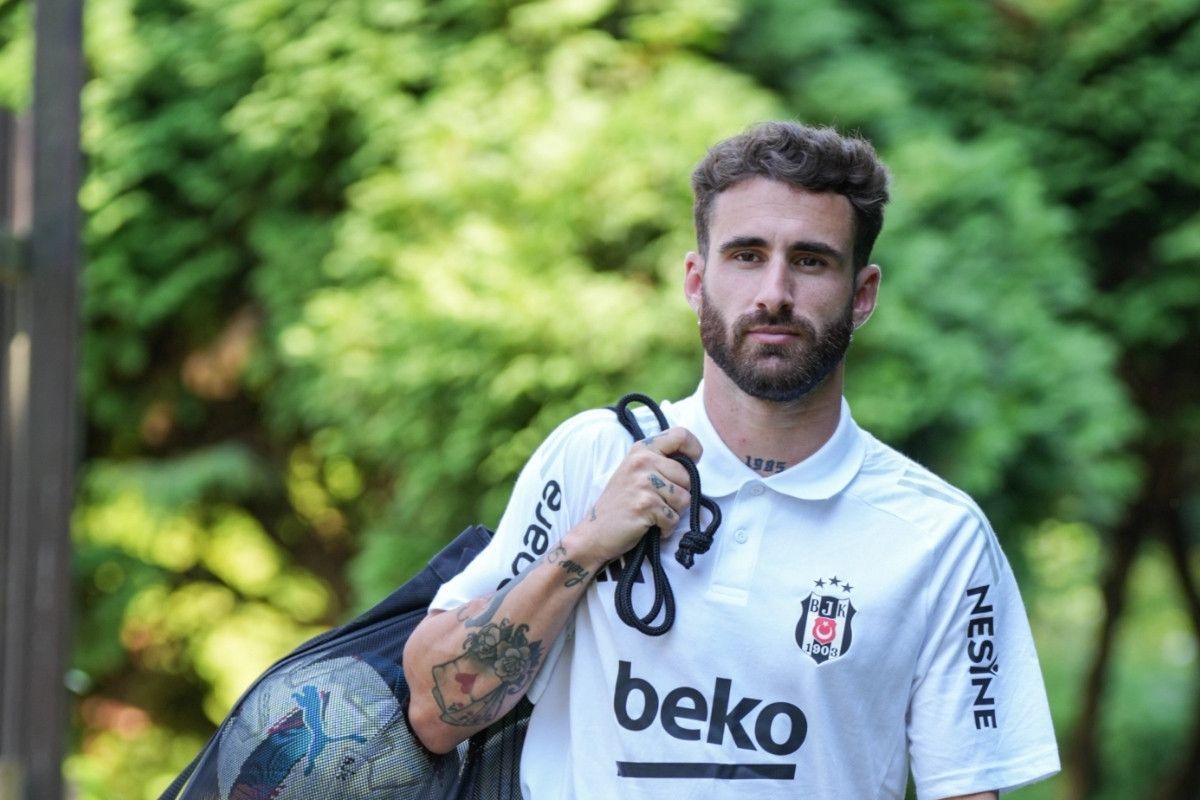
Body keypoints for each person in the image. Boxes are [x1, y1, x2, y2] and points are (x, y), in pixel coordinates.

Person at [403, 121, 1060, 800]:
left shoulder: (940, 536)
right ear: (696, 281)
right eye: (747, 255)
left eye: (811, 261)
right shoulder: (595, 455)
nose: (774, 292)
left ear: (862, 294)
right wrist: (586, 547)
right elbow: (434, 712)